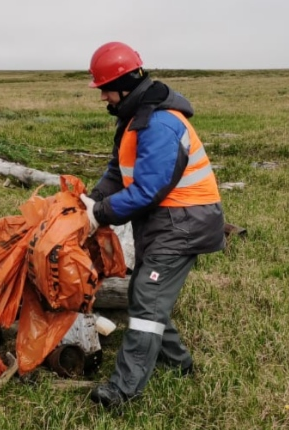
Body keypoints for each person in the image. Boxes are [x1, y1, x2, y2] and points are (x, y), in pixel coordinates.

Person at [79, 41, 226, 409]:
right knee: (146, 295)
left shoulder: (159, 123)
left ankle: (123, 390)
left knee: (146, 299)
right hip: (167, 222)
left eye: (105, 89)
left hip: (183, 223)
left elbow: (148, 190)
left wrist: (99, 214)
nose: (102, 98)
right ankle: (178, 364)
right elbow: (118, 171)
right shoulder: (135, 118)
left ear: (125, 84)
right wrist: (93, 200)